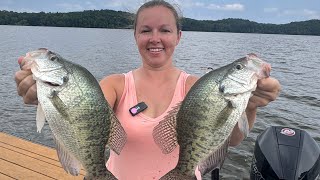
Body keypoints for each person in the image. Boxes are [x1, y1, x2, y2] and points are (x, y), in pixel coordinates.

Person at [14, 0, 281, 179]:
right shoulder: (115, 84)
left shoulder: (201, 88)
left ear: (179, 36)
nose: (155, 38)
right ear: (135, 36)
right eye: (145, 30)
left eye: (165, 30)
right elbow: (85, 110)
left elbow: (232, 140)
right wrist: (40, 96)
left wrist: (252, 105)